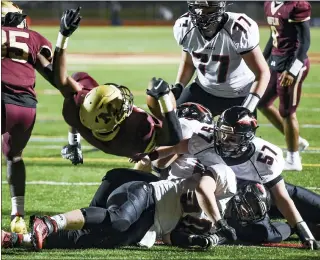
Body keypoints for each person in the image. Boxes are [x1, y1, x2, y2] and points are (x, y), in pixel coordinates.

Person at [134, 106, 319, 249]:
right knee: (259, 232)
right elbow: (175, 148)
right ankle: (298, 227)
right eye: (223, 133)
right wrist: (148, 156)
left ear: (247, 138)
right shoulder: (207, 139)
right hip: (239, 204)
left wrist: (304, 232)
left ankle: (304, 225)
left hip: (268, 191)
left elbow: (281, 197)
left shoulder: (264, 157)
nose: (225, 140)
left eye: (233, 137)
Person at [49, 7, 182, 164]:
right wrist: (164, 97)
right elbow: (174, 138)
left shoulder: (74, 113)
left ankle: (73, 145)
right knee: (153, 97)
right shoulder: (140, 131)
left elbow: (60, 79)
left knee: (78, 79)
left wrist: (63, 36)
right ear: (118, 121)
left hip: (114, 139)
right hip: (138, 146)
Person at [1, 165, 237, 250]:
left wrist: (193, 241)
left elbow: (168, 236)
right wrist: (220, 223)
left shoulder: (216, 224)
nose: (246, 211)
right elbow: (203, 189)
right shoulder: (227, 182)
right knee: (119, 220)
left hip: (148, 225)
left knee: (97, 240)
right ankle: (50, 222)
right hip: (147, 194)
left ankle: (19, 240)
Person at [1, 1, 55, 234]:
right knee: (15, 157)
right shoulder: (32, 37)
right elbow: (52, 73)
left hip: (2, 98)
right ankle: (18, 216)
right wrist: (63, 37)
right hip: (26, 107)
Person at [170, 1, 270, 117]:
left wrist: (248, 107)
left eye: (208, 8)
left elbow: (262, 73)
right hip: (203, 90)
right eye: (199, 7)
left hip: (239, 96)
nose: (202, 12)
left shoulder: (237, 28)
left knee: (237, 133)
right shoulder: (185, 26)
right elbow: (188, 62)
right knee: (174, 123)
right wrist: (179, 85)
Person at [258, 1, 311, 171]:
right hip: (276, 60)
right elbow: (274, 36)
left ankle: (294, 159)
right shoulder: (269, 4)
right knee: (261, 102)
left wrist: (293, 70)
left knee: (287, 112)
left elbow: (305, 42)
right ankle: (297, 140)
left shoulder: (297, 5)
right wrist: (261, 60)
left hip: (292, 63)